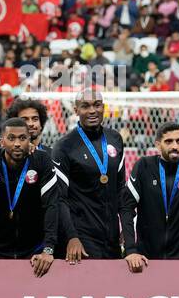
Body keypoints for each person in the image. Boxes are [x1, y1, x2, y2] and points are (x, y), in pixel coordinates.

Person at [0, 117, 59, 277]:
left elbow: (52, 206)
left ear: (30, 140)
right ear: (1, 142)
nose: (17, 144)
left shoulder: (42, 161)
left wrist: (48, 249)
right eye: (11, 138)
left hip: (33, 251)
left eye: (22, 138)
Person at [120, 122, 179, 271]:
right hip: (146, 259)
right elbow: (127, 207)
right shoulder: (144, 166)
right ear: (158, 145)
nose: (175, 146)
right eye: (169, 141)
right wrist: (131, 250)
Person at [53, 87, 125, 260]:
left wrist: (127, 229)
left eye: (97, 105)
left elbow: (121, 188)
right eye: (85, 106)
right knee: (86, 286)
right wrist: (71, 237)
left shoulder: (115, 138)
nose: (92, 110)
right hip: (82, 236)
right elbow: (59, 198)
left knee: (111, 286)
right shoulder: (64, 146)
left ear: (103, 107)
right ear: (76, 110)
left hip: (112, 234)